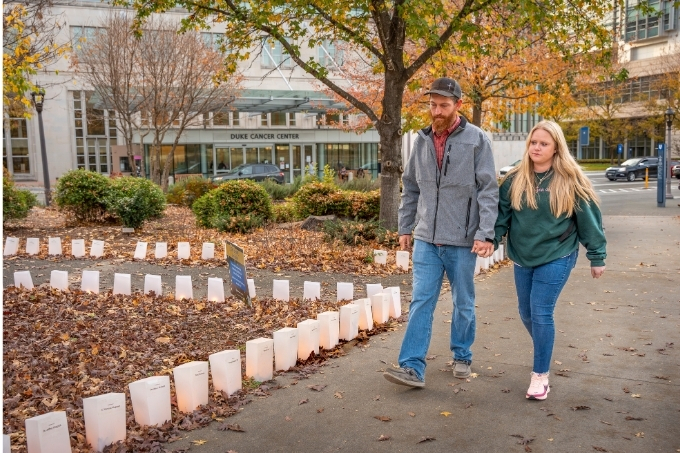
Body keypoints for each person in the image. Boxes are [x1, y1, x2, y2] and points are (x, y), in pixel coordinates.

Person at [383, 77, 499, 388]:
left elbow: (488, 190)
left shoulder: (477, 140)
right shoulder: (420, 141)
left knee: (464, 301)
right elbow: (410, 187)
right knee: (421, 300)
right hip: (426, 240)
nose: (437, 111)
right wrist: (405, 226)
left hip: (462, 240)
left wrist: (485, 232)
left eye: (444, 105)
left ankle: (462, 354)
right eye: (433, 105)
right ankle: (411, 367)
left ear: (458, 105)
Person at [493, 120, 606, 401]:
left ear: (556, 148)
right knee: (526, 313)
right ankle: (545, 345)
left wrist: (597, 255)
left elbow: (589, 221)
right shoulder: (514, 179)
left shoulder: (571, 180)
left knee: (541, 312)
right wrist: (490, 240)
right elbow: (501, 218)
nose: (537, 147)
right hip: (522, 255)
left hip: (558, 253)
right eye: (533, 142)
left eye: (544, 143)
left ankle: (540, 376)